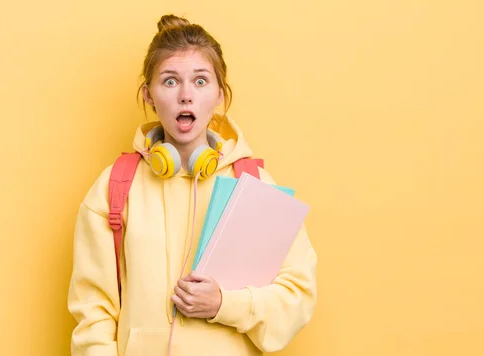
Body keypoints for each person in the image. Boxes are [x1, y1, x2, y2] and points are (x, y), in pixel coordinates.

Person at [67, 14, 317, 356]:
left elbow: (297, 296)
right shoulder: (114, 186)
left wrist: (223, 304)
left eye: (201, 81)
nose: (186, 95)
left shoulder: (255, 187)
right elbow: (93, 312)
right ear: (149, 94)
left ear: (219, 95)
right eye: (170, 81)